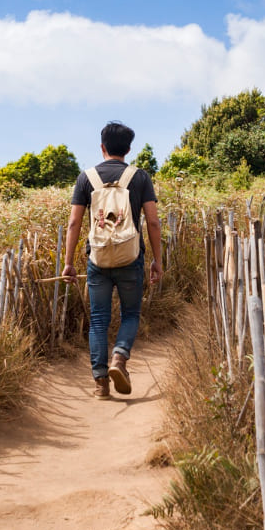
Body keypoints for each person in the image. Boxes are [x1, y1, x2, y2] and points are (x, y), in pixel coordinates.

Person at [62, 121, 163, 399]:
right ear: (129, 149)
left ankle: (100, 382)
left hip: (98, 259)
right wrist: (157, 260)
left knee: (98, 320)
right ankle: (120, 357)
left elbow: (74, 223)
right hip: (131, 257)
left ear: (102, 147)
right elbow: (153, 222)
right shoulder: (139, 177)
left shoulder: (86, 178)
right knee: (130, 314)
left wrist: (68, 263)